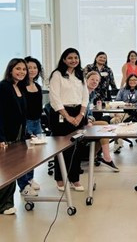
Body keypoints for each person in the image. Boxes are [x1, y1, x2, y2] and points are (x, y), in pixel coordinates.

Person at [49, 48, 89, 192]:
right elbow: (54, 97)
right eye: (70, 57)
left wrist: (80, 115)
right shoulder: (57, 74)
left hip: (78, 112)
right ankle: (60, 178)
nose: (73, 60)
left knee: (77, 147)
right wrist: (67, 116)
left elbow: (86, 96)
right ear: (64, 59)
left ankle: (74, 179)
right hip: (61, 113)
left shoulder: (80, 74)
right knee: (61, 148)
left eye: (76, 57)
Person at [0, 59, 28, 215]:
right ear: (10, 70)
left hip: (18, 135)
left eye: (24, 69)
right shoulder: (4, 87)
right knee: (7, 171)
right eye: (18, 68)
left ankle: (7, 202)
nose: (22, 71)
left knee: (12, 169)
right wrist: (0, 137)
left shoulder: (19, 87)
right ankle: (4, 205)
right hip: (6, 135)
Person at [18, 56, 44, 197]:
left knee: (34, 154)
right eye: (29, 68)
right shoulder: (20, 86)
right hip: (26, 123)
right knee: (24, 156)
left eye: (35, 67)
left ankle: (30, 178)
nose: (32, 70)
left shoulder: (38, 86)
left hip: (37, 122)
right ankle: (23, 186)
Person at [85, 71, 119, 172]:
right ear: (86, 80)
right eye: (92, 79)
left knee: (104, 126)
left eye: (97, 80)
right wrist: (87, 120)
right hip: (79, 123)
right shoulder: (82, 93)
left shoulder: (92, 94)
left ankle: (99, 156)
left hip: (86, 122)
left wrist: (90, 119)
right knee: (104, 125)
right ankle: (106, 158)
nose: (94, 82)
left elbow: (89, 112)